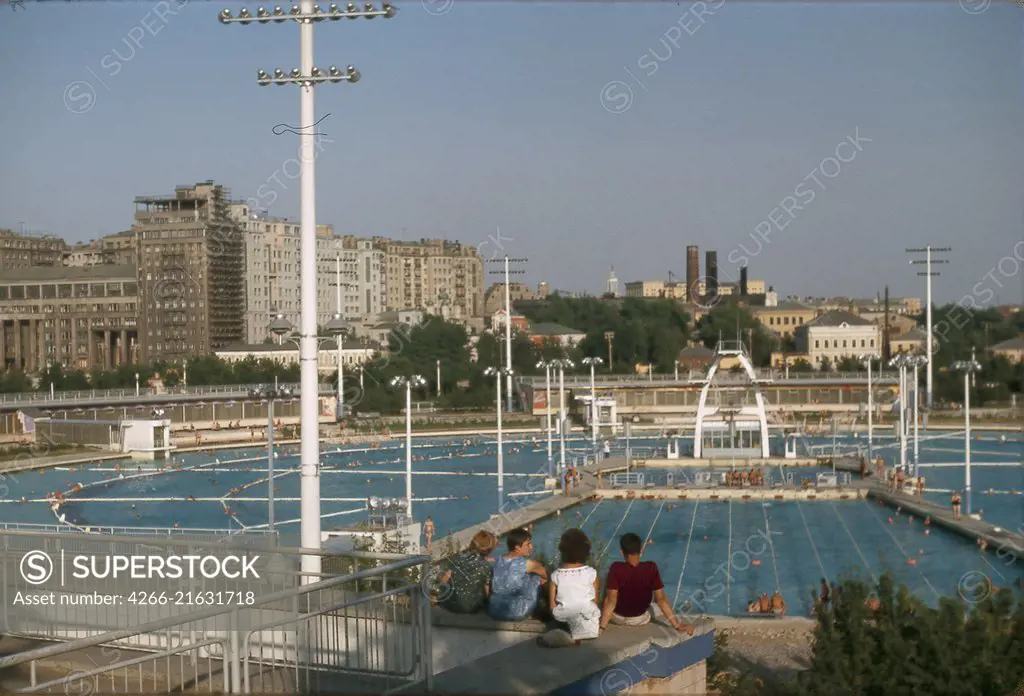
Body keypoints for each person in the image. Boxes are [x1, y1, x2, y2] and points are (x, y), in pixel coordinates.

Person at [599, 533, 692, 633]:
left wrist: (601, 627)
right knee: (655, 606)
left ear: (622, 552)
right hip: (639, 619)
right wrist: (677, 625)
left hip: (617, 617)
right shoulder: (651, 567)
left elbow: (611, 600)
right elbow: (661, 600)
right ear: (641, 549)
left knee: (607, 578)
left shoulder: (615, 567)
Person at [539, 529, 600, 647]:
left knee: (559, 616)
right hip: (589, 623)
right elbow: (594, 601)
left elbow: (552, 606)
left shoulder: (556, 575)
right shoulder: (592, 573)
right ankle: (575, 636)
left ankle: (565, 637)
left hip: (564, 621)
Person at [487, 528, 548, 622]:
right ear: (517, 547)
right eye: (528, 544)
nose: (531, 547)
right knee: (538, 577)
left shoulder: (497, 561)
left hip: (495, 610)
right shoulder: (528, 564)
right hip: (518, 611)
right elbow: (545, 575)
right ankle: (546, 611)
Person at [438, 531, 497, 614]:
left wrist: (439, 596)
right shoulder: (486, 567)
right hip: (470, 607)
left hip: (451, 604)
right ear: (489, 550)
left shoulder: (458, 559)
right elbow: (487, 590)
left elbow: (445, 579)